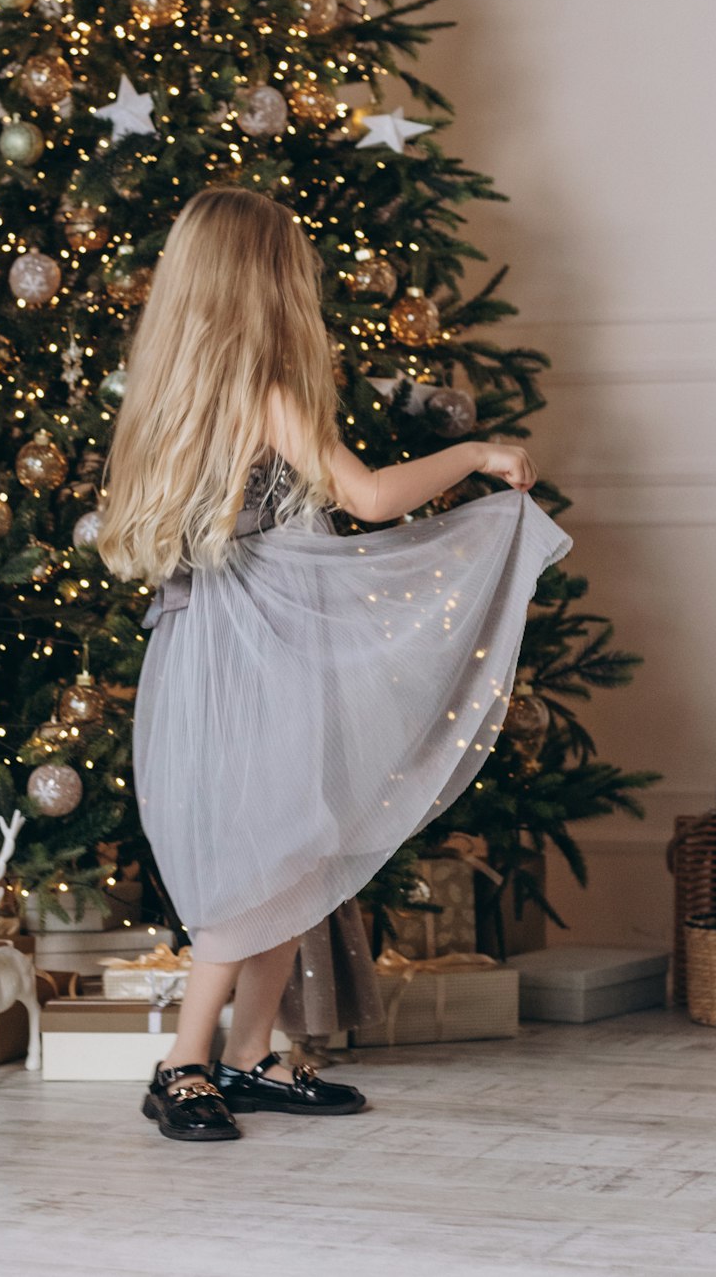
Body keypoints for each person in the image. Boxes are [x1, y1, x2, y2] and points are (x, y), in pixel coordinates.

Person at [97, 185, 573, 1142]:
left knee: (286, 848)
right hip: (268, 647)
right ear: (267, 284)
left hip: (207, 653)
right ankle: (184, 1063)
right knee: (265, 861)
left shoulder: (169, 395)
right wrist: (477, 452)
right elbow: (368, 497)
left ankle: (249, 1056)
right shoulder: (265, 391)